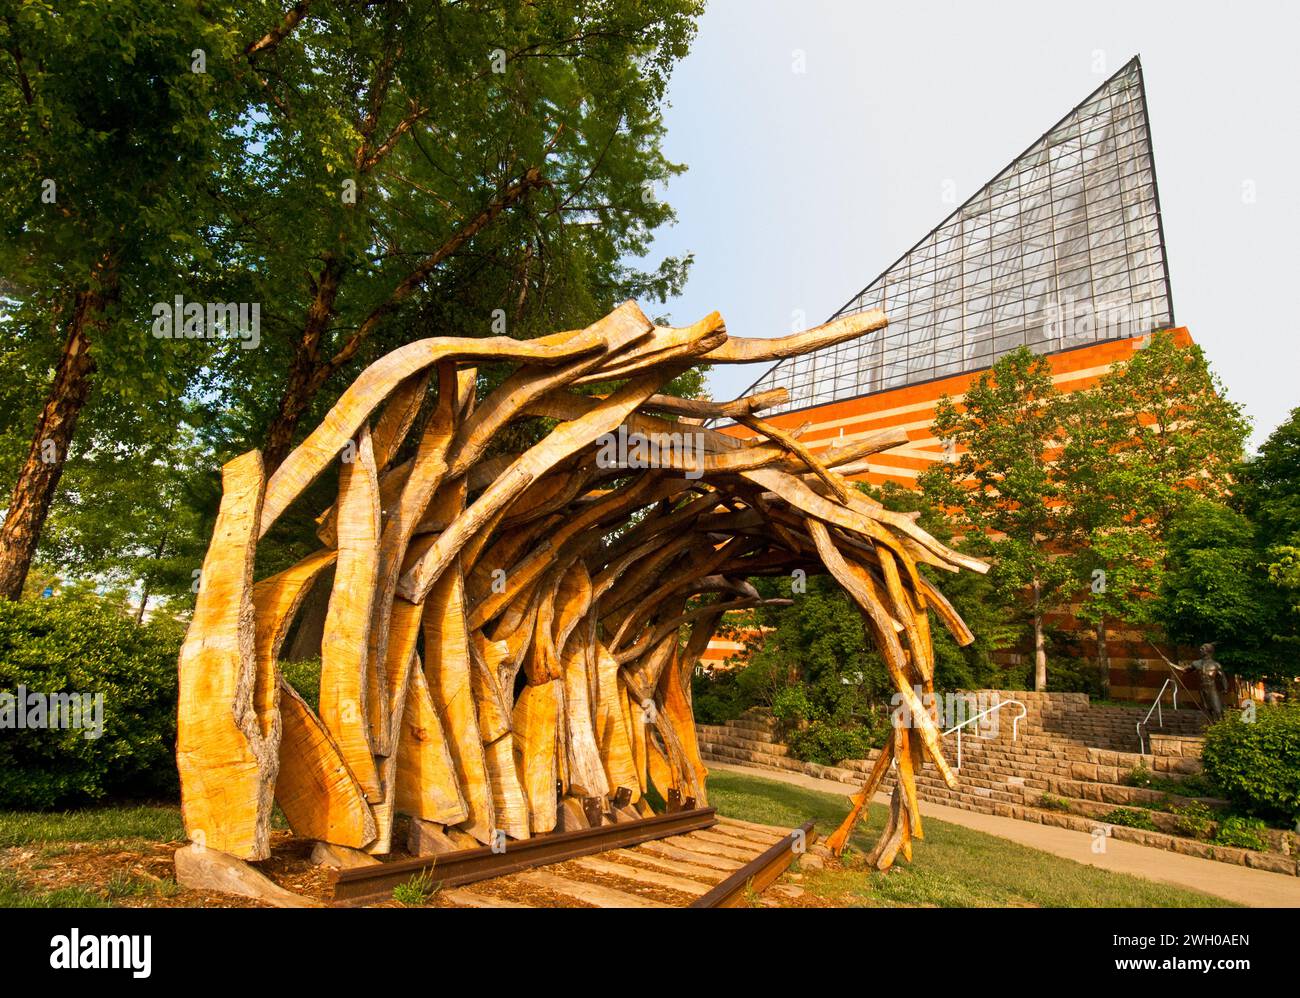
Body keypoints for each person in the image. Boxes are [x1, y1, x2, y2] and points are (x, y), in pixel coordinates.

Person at [1173, 643, 1228, 721]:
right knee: (1207, 710)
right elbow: (1184, 670)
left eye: (1202, 649)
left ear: (1208, 651)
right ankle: (1212, 727)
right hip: (1202, 690)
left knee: (1217, 710)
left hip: (1212, 689)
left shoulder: (1216, 665)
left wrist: (1225, 688)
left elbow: (1223, 678)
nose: (1200, 650)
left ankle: (1221, 727)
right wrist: (1170, 663)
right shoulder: (1196, 663)